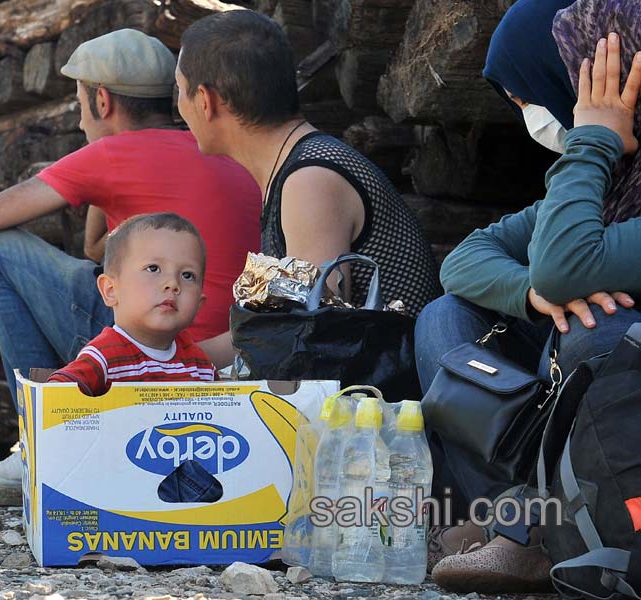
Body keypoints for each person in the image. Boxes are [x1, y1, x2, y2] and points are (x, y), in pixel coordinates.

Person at [0, 29, 261, 494]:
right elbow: (95, 249)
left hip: (153, 344)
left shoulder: (109, 154)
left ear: (101, 101)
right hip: (220, 351)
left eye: (80, 105)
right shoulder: (216, 149)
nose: (81, 121)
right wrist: (101, 185)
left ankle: (38, 440)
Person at [416, 2, 641, 591]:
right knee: (449, 317)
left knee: (596, 330)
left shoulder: (593, 168)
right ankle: (516, 522)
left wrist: (590, 141)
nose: (524, 110)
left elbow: (567, 265)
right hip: (576, 407)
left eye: (526, 92)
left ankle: (564, 527)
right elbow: (465, 259)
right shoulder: (609, 184)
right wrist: (530, 293)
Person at [174, 9, 442, 367]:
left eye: (180, 90)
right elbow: (283, 329)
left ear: (205, 101)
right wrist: (171, 359)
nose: (179, 106)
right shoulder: (295, 166)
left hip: (389, 404)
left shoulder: (310, 180)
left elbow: (311, 336)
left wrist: (176, 361)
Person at [48, 213, 216, 395]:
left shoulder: (200, 367)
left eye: (187, 275)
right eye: (153, 268)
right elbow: (53, 397)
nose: (173, 284)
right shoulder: (104, 357)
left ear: (199, 305)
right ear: (110, 290)